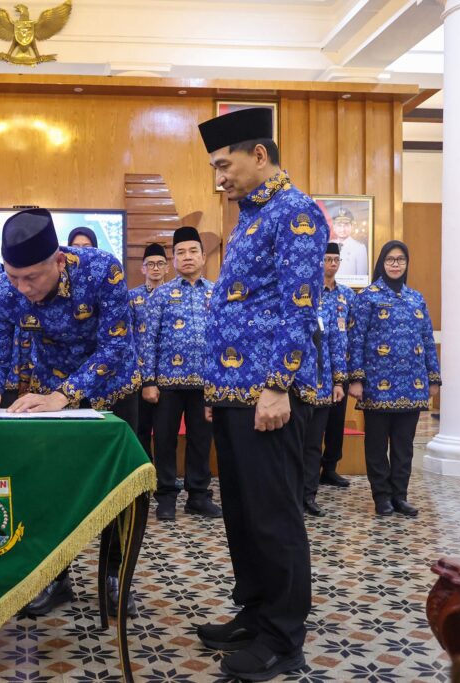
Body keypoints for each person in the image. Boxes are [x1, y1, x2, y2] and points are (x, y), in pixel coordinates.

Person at [196, 107, 326, 680]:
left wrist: (277, 385)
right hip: (233, 392)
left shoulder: (295, 211)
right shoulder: (251, 216)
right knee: (244, 516)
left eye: (224, 165)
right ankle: (255, 611)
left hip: (268, 395)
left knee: (274, 518)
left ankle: (283, 638)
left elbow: (299, 306)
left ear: (259, 155)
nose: (219, 177)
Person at [0, 208, 142, 618]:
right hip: (49, 395)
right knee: (50, 489)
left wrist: (64, 395)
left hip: (112, 391)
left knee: (118, 491)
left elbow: (116, 347)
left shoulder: (102, 271)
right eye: (14, 277)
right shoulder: (4, 287)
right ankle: (54, 576)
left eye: (32, 277)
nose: (23, 287)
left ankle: (115, 575)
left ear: (60, 260)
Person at [348, 241, 441, 518]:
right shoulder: (367, 296)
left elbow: (427, 339)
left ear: (407, 263)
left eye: (401, 259)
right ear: (382, 262)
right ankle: (382, 497)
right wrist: (356, 379)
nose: (396, 264)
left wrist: (433, 377)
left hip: (412, 385)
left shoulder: (416, 298)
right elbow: (355, 340)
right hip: (377, 385)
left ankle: (400, 496)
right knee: (377, 446)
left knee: (404, 447)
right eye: (390, 259)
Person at [140, 228, 220, 520]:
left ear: (203, 256)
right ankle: (165, 496)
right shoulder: (161, 294)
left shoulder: (216, 292)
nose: (187, 257)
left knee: (201, 440)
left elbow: (224, 339)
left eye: (193, 251)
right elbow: (148, 340)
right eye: (181, 253)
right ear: (173, 260)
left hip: (205, 384)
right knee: (164, 440)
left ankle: (198, 495)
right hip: (166, 383)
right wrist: (148, 381)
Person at [299, 243, 349, 517]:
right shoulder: (293, 297)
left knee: (313, 445)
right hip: (294, 387)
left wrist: (339, 382)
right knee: (293, 445)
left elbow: (335, 346)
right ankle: (290, 496)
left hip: (322, 386)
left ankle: (308, 496)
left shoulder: (328, 306)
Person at [320, 243, 357, 488]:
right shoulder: (311, 292)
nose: (332, 264)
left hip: (340, 370)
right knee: (315, 425)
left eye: (336, 259)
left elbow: (353, 332)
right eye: (328, 259)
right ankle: (309, 471)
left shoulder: (347, 295)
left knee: (336, 423)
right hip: (317, 370)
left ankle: (330, 468)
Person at [129, 242, 168, 457]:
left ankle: (164, 473)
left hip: (167, 372)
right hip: (139, 374)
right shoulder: (132, 298)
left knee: (165, 430)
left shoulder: (174, 296)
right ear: (143, 268)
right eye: (150, 264)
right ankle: (144, 471)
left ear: (167, 268)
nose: (155, 268)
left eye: (160, 263)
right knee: (141, 428)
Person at [332, 207, 368, 278]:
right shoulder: (328, 246)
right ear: (334, 227)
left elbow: (362, 277)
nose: (342, 229)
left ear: (352, 226)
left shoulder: (360, 248)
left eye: (346, 225)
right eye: (339, 225)